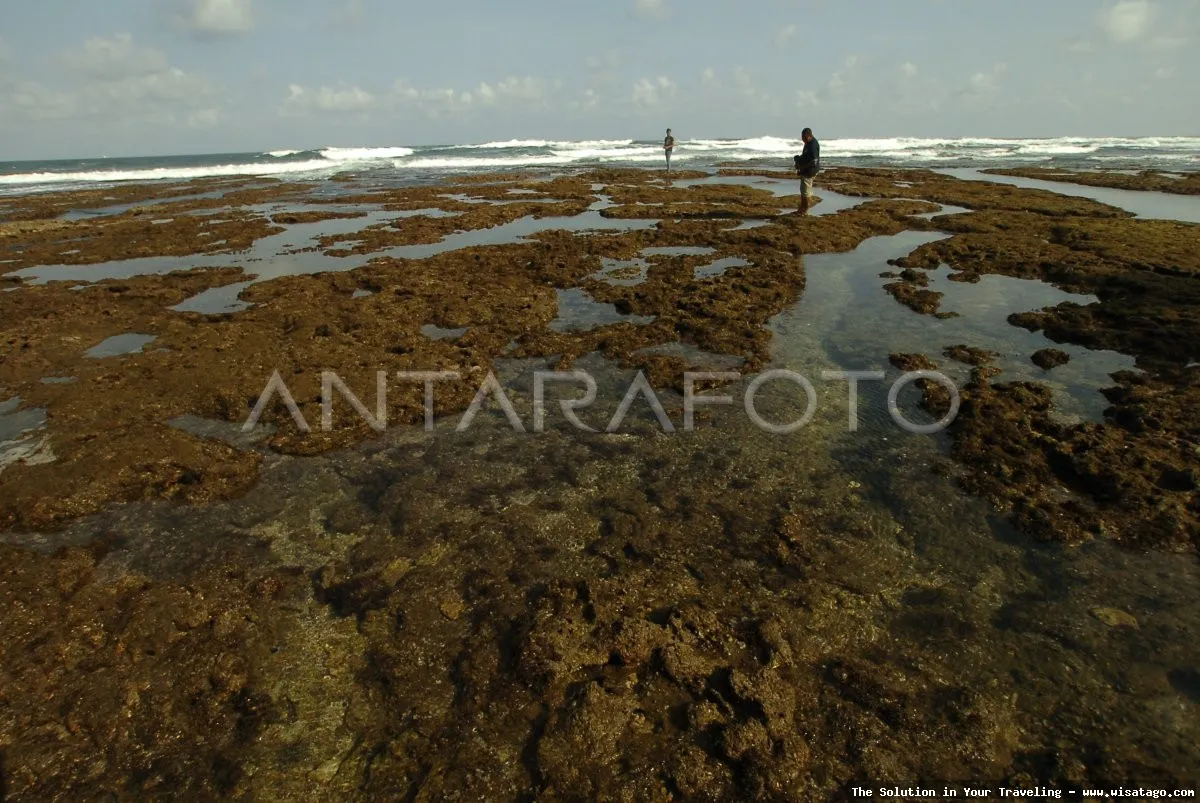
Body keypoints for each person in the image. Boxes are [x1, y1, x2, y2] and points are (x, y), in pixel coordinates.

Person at [793, 127, 821, 215]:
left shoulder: (813, 145)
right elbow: (806, 156)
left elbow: (814, 161)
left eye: (804, 138)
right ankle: (802, 208)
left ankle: (804, 211)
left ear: (809, 136)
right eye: (802, 138)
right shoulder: (808, 143)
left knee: (806, 192)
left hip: (810, 171)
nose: (803, 140)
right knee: (804, 190)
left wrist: (803, 168)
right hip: (806, 170)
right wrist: (798, 161)